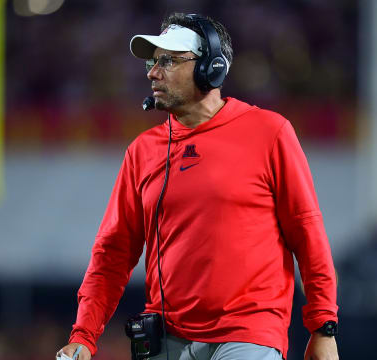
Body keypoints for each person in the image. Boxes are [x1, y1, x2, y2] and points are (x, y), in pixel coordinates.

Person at [57, 12, 339, 360]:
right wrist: (83, 335)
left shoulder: (270, 133)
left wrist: (323, 327)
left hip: (248, 332)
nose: (152, 72)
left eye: (169, 61)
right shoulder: (142, 152)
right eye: (152, 61)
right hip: (167, 337)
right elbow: (111, 255)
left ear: (212, 68)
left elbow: (307, 232)